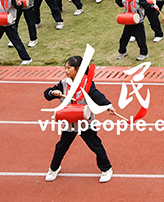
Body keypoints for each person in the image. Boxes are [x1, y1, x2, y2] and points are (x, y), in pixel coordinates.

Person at [43, 55, 120, 183]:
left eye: (69, 68)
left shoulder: (87, 83)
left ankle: (106, 169)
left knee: (95, 145)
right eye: (65, 68)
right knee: (61, 147)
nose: (66, 70)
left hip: (85, 123)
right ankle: (54, 168)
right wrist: (52, 92)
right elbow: (48, 94)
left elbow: (96, 95)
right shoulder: (63, 84)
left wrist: (108, 106)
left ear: (78, 69)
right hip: (69, 123)